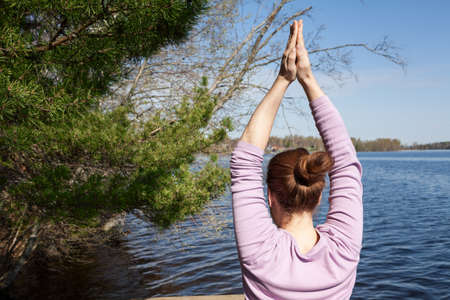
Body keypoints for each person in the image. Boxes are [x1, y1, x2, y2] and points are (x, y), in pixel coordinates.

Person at [230, 20, 363, 300]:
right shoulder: (344, 250)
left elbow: (244, 163)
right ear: (318, 196)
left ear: (269, 196)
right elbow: (346, 162)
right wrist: (308, 78)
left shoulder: (260, 253)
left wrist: (283, 79)